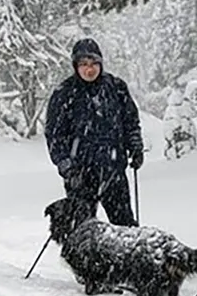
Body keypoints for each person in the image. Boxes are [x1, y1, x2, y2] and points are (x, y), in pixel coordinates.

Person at [45, 38, 144, 226]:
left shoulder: (116, 87)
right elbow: (54, 135)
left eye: (93, 63)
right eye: (83, 64)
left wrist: (136, 147)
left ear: (101, 63)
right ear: (76, 66)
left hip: (113, 170)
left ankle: (124, 256)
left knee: (125, 228)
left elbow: (130, 122)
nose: (89, 69)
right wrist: (66, 166)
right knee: (82, 232)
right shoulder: (64, 93)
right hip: (80, 175)